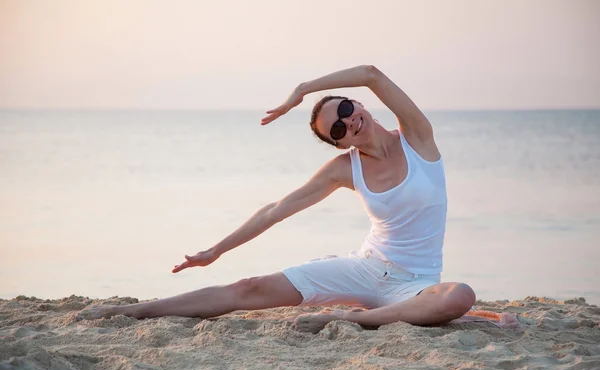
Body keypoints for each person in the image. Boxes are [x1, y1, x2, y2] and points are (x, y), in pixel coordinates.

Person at [79, 65, 479, 327]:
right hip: (363, 268)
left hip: (415, 284)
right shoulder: (346, 169)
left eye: (343, 108)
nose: (347, 122)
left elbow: (373, 74)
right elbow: (276, 210)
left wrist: (304, 89)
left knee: (458, 296)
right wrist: (214, 252)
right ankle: (129, 311)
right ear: (338, 145)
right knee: (248, 289)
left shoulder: (417, 137)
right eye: (336, 130)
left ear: (356, 101)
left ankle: (352, 319)